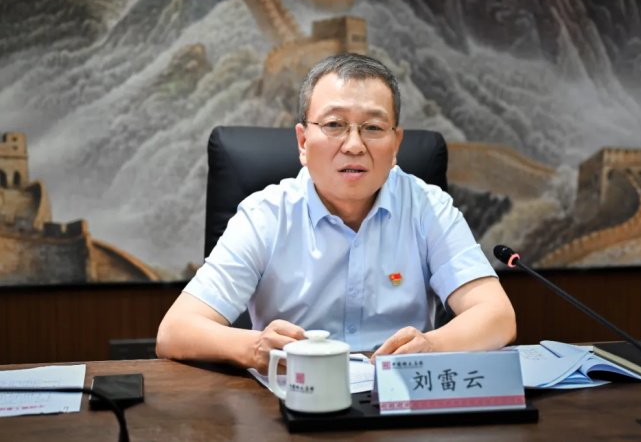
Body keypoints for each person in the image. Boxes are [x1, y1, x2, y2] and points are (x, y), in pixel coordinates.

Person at [156, 53, 516, 373]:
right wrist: (254, 348)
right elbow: (175, 330)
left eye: (373, 128)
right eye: (334, 125)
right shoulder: (265, 216)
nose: (354, 145)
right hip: (292, 399)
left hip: (399, 399)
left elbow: (497, 316)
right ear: (302, 142)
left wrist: (432, 346)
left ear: (395, 145)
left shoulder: (427, 208)